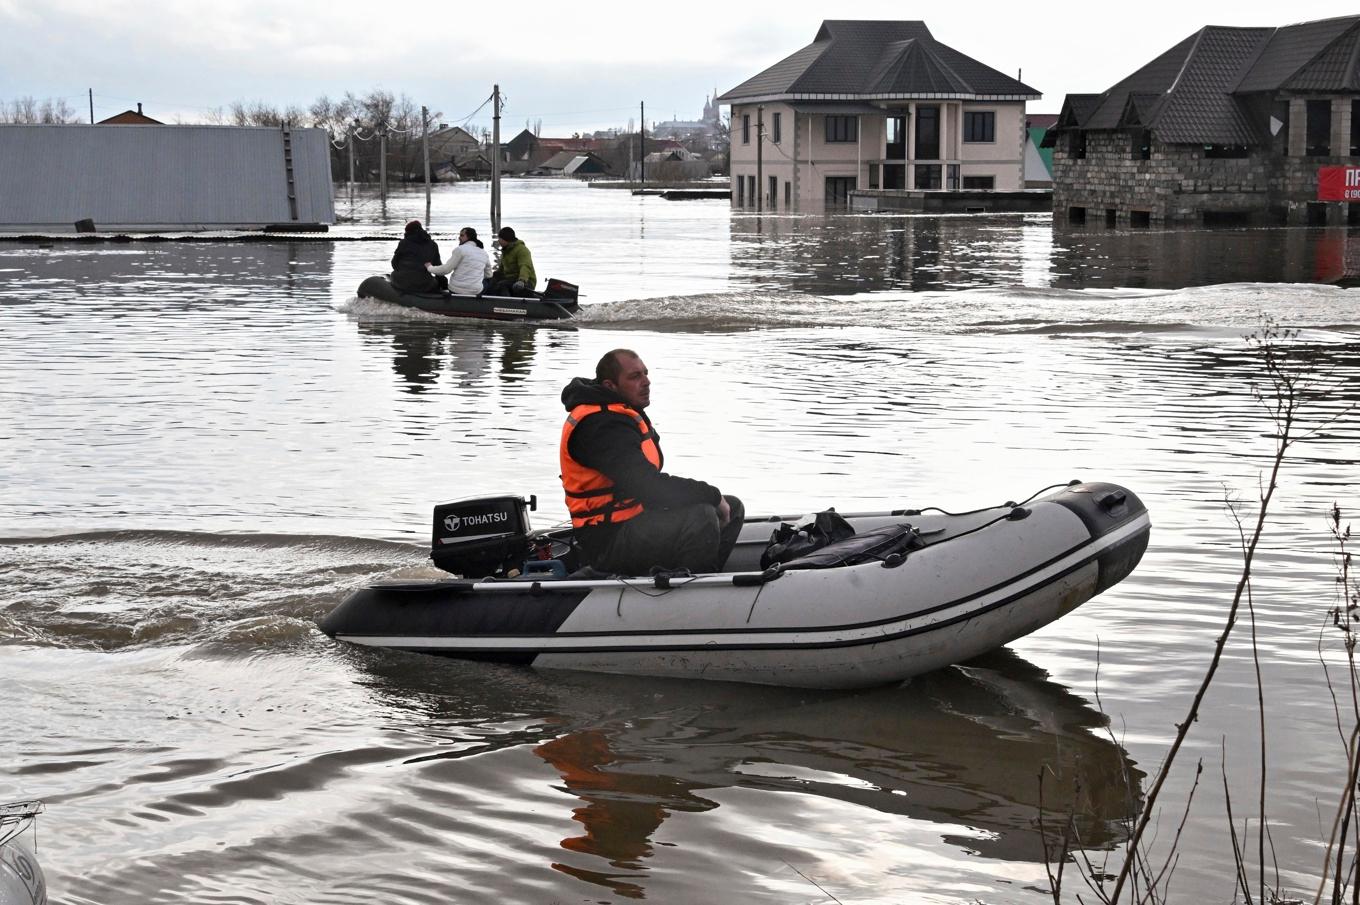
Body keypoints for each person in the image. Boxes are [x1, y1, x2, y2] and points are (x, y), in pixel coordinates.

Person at [559, 349, 744, 575]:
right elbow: (648, 487)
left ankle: (699, 576)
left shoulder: (617, 412)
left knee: (731, 507)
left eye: (645, 374)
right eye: (634, 377)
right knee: (702, 515)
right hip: (606, 540)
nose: (646, 382)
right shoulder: (601, 427)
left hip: (633, 519)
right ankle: (692, 591)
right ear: (610, 386)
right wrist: (712, 495)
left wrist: (714, 498)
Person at [426, 226, 493, 296]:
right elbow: (489, 275)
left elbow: (445, 270)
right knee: (487, 282)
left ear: (469, 237)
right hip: (476, 291)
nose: (459, 237)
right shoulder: (484, 253)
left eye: (462, 235)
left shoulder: (460, 249)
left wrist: (430, 267)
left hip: (455, 290)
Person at [390, 219, 444, 293]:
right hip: (425, 284)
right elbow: (438, 267)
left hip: (403, 282)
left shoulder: (403, 243)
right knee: (435, 280)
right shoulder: (433, 245)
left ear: (408, 232)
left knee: (393, 275)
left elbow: (394, 264)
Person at [487, 226, 536, 297]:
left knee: (502, 285)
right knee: (492, 282)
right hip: (510, 279)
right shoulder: (506, 250)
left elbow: (525, 266)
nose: (498, 241)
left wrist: (522, 280)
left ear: (505, 239)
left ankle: (507, 303)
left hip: (526, 281)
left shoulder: (522, 250)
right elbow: (501, 270)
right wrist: (491, 277)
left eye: (499, 238)